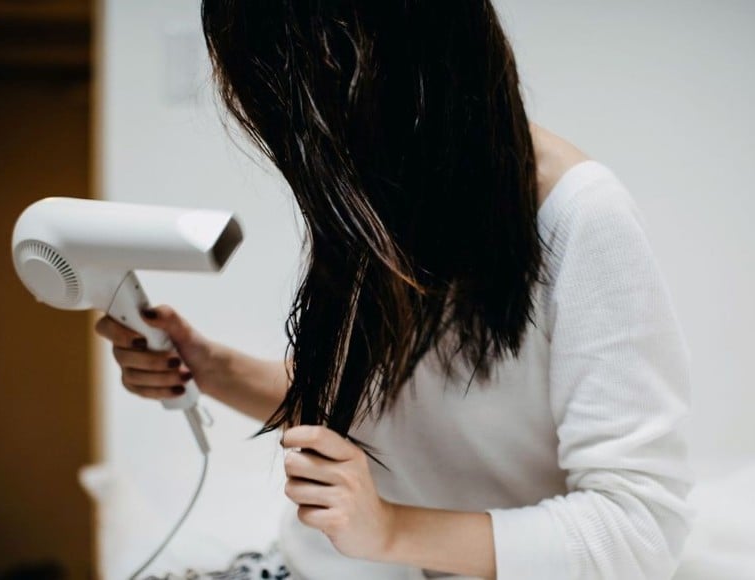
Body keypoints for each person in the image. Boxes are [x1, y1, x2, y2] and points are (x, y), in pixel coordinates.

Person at [95, 2, 694, 578]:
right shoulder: (382, 191)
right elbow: (384, 408)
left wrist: (389, 530)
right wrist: (211, 368)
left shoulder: (585, 220)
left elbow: (638, 533)